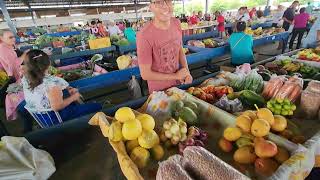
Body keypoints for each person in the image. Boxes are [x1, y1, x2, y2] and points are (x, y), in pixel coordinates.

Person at [21, 50, 102, 126]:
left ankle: (77, 108)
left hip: (41, 117)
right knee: (97, 106)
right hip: (55, 119)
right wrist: (74, 97)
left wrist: (68, 89)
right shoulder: (51, 84)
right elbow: (57, 107)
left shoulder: (25, 78)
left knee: (69, 98)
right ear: (48, 63)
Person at [137, 0, 192, 94]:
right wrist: (176, 76)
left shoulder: (176, 23)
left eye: (168, 1)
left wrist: (186, 72)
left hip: (180, 84)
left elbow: (179, 50)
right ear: (150, 6)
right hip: (160, 92)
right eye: (159, 2)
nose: (165, 6)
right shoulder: (144, 35)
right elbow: (145, 74)